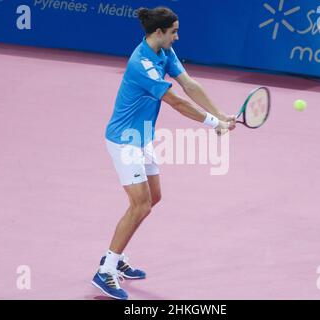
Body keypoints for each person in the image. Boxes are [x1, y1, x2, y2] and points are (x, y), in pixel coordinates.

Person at [92, 6, 235, 300]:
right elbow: (177, 102)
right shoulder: (141, 64)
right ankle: (105, 270)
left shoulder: (163, 52)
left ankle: (116, 259)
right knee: (140, 205)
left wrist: (220, 113)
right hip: (124, 141)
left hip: (141, 138)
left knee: (153, 198)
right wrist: (213, 125)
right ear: (159, 32)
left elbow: (189, 85)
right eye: (174, 32)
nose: (177, 37)